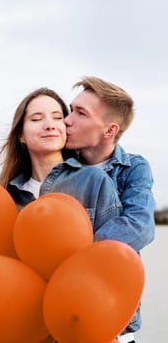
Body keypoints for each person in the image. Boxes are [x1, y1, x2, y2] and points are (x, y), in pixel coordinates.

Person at [64, 76, 156, 343]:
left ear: (109, 131)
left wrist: (72, 254)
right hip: (61, 315)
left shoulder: (134, 168)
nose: (67, 120)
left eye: (80, 113)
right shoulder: (56, 165)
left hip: (115, 320)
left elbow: (141, 225)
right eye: (71, 109)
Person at [0, 87, 122, 232]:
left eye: (57, 118)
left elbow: (112, 248)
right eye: (36, 119)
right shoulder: (8, 194)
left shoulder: (94, 181)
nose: (50, 125)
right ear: (21, 135)